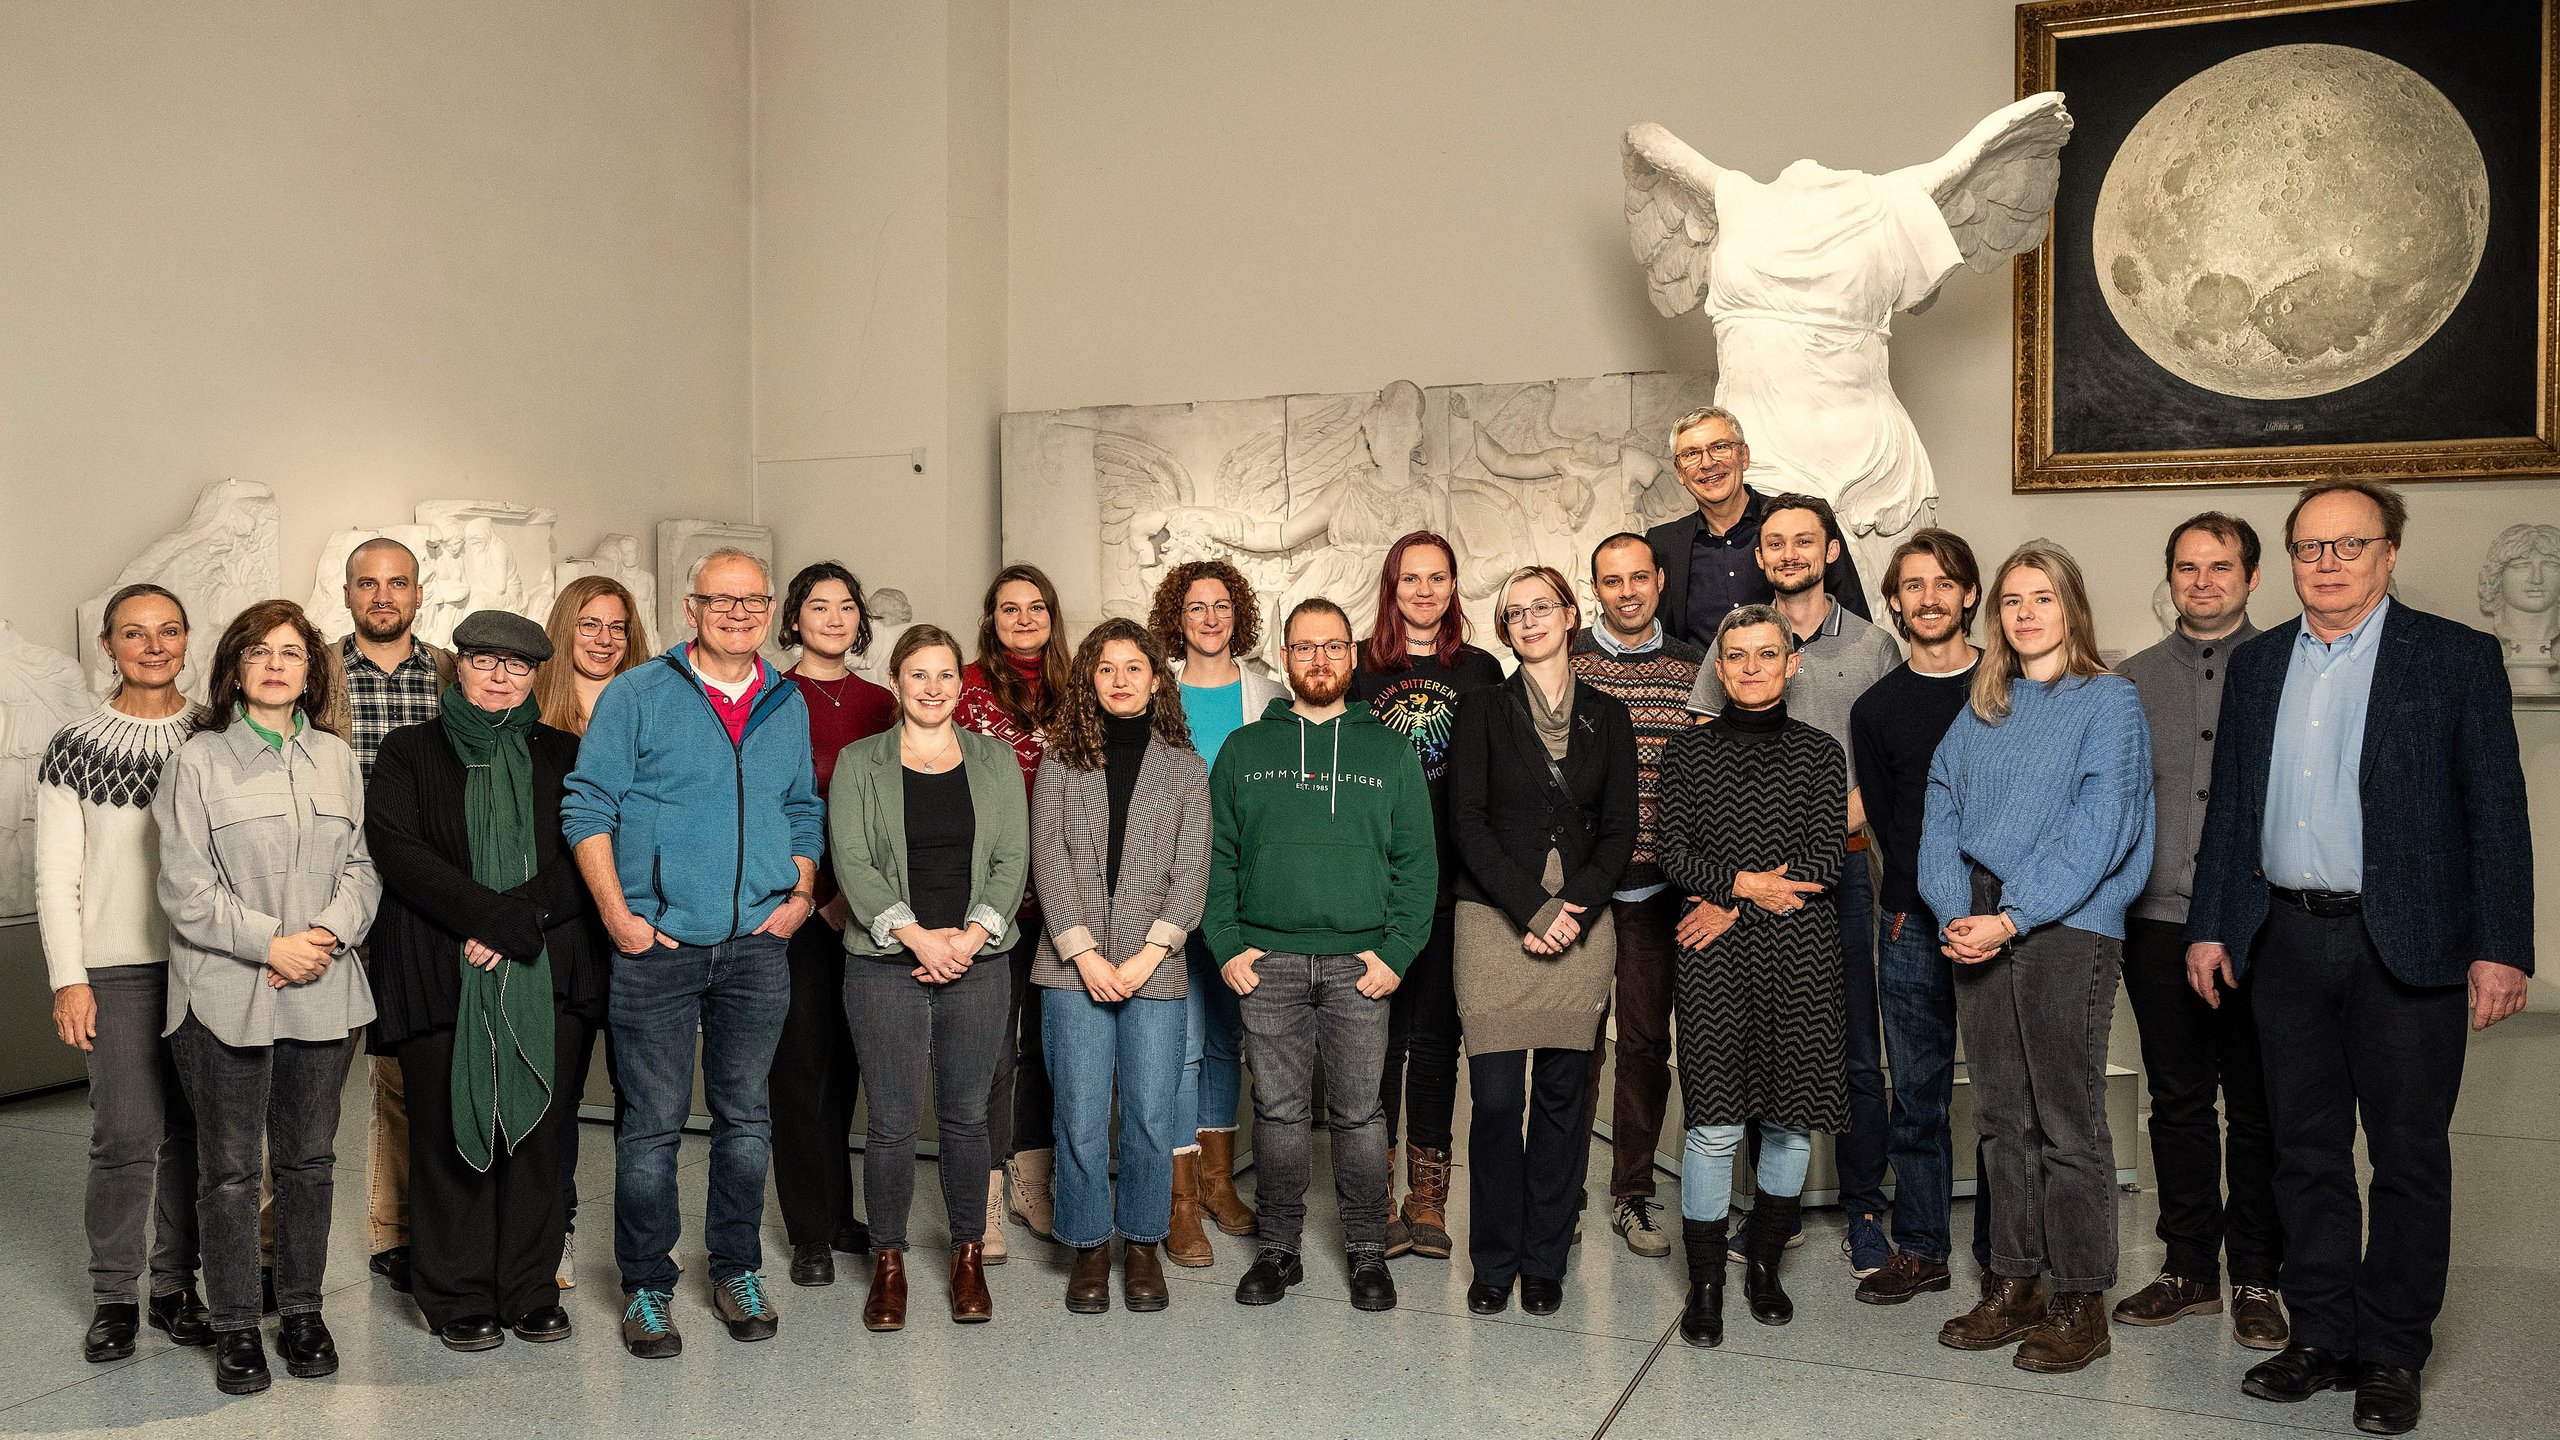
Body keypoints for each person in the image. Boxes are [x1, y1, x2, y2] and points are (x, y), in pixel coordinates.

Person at [2189, 481, 2533, 1437]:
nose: (2326, 564)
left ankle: (2391, 1352)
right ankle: (2323, 1336)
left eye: (2348, 546)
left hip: (2409, 943)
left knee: (2409, 1159)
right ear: (2289, 559)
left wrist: (2502, 947)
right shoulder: (2257, 666)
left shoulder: (2454, 658)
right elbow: (2231, 811)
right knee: (2303, 1155)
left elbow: (2498, 813)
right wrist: (2214, 923)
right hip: (2285, 939)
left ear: (2390, 554)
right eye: (2308, 547)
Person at [561, 547, 823, 1359]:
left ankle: (737, 1267)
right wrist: (621, 919)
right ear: (691, 607)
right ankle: (645, 1286)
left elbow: (800, 806)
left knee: (747, 1119)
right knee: (652, 1128)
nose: (737, 614)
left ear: (769, 609)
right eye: (721, 600)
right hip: (658, 948)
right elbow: (586, 806)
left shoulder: (786, 701)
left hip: (756, 948)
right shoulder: (640, 694)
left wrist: (801, 895)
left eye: (752, 601)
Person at [1922, 543, 2152, 1376]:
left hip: (2065, 925)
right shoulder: (1983, 706)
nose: (2024, 614)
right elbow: (1939, 803)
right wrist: (1957, 911)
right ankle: (2014, 1282)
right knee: (1999, 1118)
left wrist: (2013, 916)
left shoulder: (2109, 701)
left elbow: (2101, 829)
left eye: (2042, 598)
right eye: (2012, 601)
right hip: (1977, 921)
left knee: (2067, 1120)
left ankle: (2080, 1297)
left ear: (2071, 609)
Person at [155, 600, 381, 1395]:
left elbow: (362, 869)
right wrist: (271, 944)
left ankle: (305, 1310)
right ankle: (237, 1324)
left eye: (293, 652)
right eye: (260, 651)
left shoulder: (336, 758)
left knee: (311, 1162)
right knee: (227, 1172)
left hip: (322, 988)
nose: (278, 664)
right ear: (236, 669)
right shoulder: (198, 761)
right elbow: (185, 889)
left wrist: (322, 937)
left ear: (313, 671)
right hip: (223, 992)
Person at [364, 611, 599, 1353]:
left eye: (517, 666)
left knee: (539, 1137)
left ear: (536, 676)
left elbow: (588, 850)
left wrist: (516, 920)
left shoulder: (566, 754)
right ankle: (457, 1294)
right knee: (443, 1132)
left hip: (547, 964)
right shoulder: (408, 752)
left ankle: (529, 1289)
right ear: (456, 666)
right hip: (439, 966)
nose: (500, 677)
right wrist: (483, 917)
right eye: (484, 661)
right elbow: (398, 850)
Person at [1685, 492, 1900, 1273]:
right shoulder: (1738, 637)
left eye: (1803, 541)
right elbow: (1708, 752)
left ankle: (1865, 1205)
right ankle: (1764, 1217)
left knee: (1848, 1045)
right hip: (1742, 874)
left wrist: (1818, 830)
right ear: (1761, 556)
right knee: (1743, 1043)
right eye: (1774, 542)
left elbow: (1894, 760)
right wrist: (1736, 880)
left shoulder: (1872, 647)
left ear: (1830, 551)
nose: (1788, 553)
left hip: (1836, 865)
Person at [1211, 598, 1435, 1313]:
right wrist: (1225, 946)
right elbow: (1215, 858)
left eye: (1332, 647)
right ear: (1285, 656)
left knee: (1360, 1116)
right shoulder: (1246, 749)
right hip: (1267, 961)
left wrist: (1396, 952)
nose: (1318, 660)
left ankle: (1369, 1250)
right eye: (1304, 648)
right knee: (1276, 1115)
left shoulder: (1390, 750)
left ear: (1352, 656)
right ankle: (1278, 1249)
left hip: (1358, 967)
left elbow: (1417, 862)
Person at [2112, 514, 2286, 1350]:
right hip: (2154, 924)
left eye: (2221, 567)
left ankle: (2259, 1275)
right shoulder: (2130, 680)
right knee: (2176, 1102)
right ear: (2170, 577)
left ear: (2253, 577)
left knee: (2259, 1107)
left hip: (2260, 925)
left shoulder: (2288, 670)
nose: (2203, 581)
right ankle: (2189, 1268)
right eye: (2187, 567)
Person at [1655, 605, 1848, 1349]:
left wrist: (1733, 900)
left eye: (1767, 654)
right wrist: (1745, 884)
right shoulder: (1688, 755)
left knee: (1790, 1122)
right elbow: (1673, 853)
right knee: (1713, 1126)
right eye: (1737, 656)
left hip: (1801, 956)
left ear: (1792, 663)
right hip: (1712, 959)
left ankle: (1763, 1266)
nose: (1752, 667)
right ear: (1720, 666)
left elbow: (1825, 862)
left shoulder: (1821, 754)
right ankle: (1706, 1282)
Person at [827, 625, 1030, 1331]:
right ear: (897, 682)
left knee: (969, 1118)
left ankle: (967, 1254)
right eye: (919, 676)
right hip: (885, 961)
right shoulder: (860, 762)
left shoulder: (994, 760)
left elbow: (1012, 859)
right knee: (887, 1123)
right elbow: (852, 861)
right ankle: (888, 1264)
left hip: (979, 959)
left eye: (945, 675)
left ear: (960, 685)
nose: (934, 689)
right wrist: (916, 936)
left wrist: (969, 940)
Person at [1448, 567, 1637, 1316]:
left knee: (1564, 1100)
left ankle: (1544, 1259)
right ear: (1504, 629)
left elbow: (1621, 830)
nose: (1529, 620)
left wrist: (1577, 907)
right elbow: (1467, 823)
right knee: (1495, 1102)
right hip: (1493, 922)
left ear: (1570, 615)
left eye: (1541, 607)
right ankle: (1493, 1260)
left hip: (1583, 929)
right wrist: (1534, 909)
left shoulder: (1609, 716)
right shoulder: (1481, 710)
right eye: (1513, 612)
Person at [40, 584, 210, 1363]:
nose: (153, 645)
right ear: (107, 645)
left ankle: (177, 1288)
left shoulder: (217, 735)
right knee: (125, 1137)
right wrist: (68, 978)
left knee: (197, 1135)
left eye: (167, 631)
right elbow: (57, 879)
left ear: (187, 640)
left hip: (209, 965)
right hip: (116, 971)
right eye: (134, 633)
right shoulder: (74, 746)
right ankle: (116, 1296)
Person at [1031, 619, 1212, 1309]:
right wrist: (1084, 955)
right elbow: (1050, 862)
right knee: (1077, 1113)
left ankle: (1141, 1243)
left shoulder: (1186, 770)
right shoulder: (1060, 760)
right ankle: (1087, 1246)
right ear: (1089, 680)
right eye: (1106, 669)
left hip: (1155, 969)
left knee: (1148, 1113)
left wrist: (1143, 958)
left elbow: (1189, 872)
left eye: (1134, 668)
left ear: (1157, 678)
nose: (1120, 680)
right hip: (1070, 969)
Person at [1847, 529, 1996, 1304]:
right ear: (1896, 602)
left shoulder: (2010, 690)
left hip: (2008, 925)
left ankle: (2005, 1254)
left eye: (1945, 583)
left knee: (2006, 1097)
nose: (1929, 598)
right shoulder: (1877, 709)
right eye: (1913, 586)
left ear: (1970, 594)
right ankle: (1922, 1247)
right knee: (1918, 1094)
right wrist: (1920, 910)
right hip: (1910, 924)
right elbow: (1887, 829)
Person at [1349, 530, 1503, 1259]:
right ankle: (1372, 1198)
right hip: (1371, 891)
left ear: (1452, 588)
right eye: (1410, 578)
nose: (1423, 590)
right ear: (1392, 587)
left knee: (1438, 1045)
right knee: (1376, 1046)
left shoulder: (1480, 670)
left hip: (1451, 887)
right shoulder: (1357, 671)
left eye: (1437, 578)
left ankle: (1428, 1201)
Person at [1567, 534, 1707, 1261]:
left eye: (1637, 578)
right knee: (1574, 1043)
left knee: (1647, 1044)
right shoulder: (1565, 662)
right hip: (1582, 889)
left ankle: (1631, 1192)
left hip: (1659, 888)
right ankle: (1560, 1194)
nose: (1626, 592)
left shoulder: (1694, 666)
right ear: (1594, 588)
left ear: (1658, 581)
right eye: (1610, 581)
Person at [330, 538, 455, 1301]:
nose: (383, 596)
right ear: (347, 594)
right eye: (368, 584)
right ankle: (272, 1250)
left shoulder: (449, 674)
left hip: (419, 900)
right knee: (303, 1080)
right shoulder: (317, 674)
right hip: (333, 895)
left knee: (407, 1074)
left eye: (397, 583)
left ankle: (399, 1235)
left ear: (418, 593)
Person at [1150, 559, 1284, 1252]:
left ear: (1239, 615)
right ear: (1177, 619)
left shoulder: (1269, 695)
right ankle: (1178, 1198)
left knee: (1226, 1037)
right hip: (1169, 895)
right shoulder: (1154, 694)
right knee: (1179, 1042)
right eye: (1196, 606)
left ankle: (1219, 1182)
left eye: (1221, 605)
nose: (1209, 618)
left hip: (1241, 896)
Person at [771, 562, 897, 1288]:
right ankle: (809, 1233)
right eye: (818, 607)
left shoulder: (883, 701)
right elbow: (771, 806)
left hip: (875, 912)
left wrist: (871, 900)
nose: (833, 618)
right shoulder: (772, 697)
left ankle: (841, 1212)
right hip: (800, 910)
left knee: (852, 1066)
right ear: (793, 619)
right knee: (800, 1072)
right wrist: (816, 895)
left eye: (846, 606)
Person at [531, 574, 653, 1286]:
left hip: (638, 923)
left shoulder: (653, 708)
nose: (604, 639)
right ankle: (559, 1232)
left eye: (616, 626)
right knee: (561, 1096)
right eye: (588, 624)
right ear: (563, 631)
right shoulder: (534, 719)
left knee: (643, 1100)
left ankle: (642, 1250)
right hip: (562, 931)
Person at [957, 562, 1069, 1254]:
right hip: (987, 896)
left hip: (1061, 898)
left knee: (1050, 1048)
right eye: (1009, 609)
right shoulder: (964, 688)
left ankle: (1034, 1181)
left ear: (1052, 616)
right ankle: (987, 1196)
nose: (1023, 619)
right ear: (991, 619)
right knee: (992, 1051)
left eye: (1035, 607)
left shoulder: (1079, 688)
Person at [1643, 406, 1867, 647]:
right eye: (1691, 454)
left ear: (1744, 456)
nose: (1707, 463)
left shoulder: (1805, 520)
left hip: (1808, 679)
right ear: (1679, 472)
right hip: (1704, 683)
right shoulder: (1663, 543)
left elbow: (1854, 620)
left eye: (1719, 447)